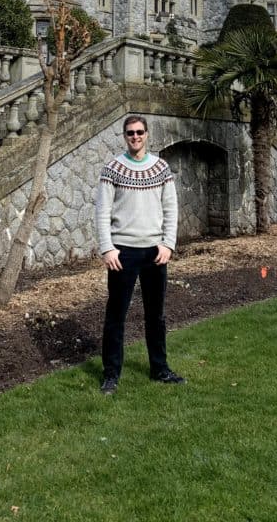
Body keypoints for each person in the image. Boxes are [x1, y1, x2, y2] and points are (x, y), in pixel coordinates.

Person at [95, 114, 186, 394]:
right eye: (130, 133)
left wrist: (168, 244)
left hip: (154, 252)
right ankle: (111, 374)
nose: (135, 137)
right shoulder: (113, 168)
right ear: (124, 136)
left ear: (147, 135)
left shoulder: (161, 168)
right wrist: (107, 248)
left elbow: (171, 209)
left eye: (139, 132)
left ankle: (160, 369)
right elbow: (102, 212)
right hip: (122, 254)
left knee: (155, 315)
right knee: (116, 317)